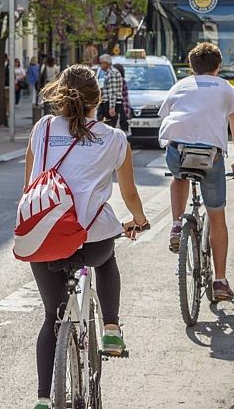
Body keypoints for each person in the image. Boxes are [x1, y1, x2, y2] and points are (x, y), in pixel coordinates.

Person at [24, 64, 148, 409]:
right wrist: (139, 221)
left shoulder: (42, 129)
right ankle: (111, 328)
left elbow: (30, 187)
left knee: (52, 316)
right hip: (91, 241)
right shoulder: (114, 138)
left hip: (43, 238)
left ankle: (43, 399)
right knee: (107, 259)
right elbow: (130, 194)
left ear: (59, 95)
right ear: (98, 99)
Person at [158, 42, 234, 301]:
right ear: (218, 66)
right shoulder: (227, 89)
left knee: (179, 176)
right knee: (217, 217)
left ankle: (177, 225)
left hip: (177, 152)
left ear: (191, 67)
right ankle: (220, 282)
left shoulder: (179, 86)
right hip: (210, 156)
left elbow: (167, 117)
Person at [96, 54, 127, 130]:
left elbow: (113, 92)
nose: (100, 65)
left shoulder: (112, 73)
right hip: (108, 102)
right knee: (106, 124)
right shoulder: (108, 73)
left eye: (101, 63)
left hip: (111, 103)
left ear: (106, 63)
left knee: (110, 125)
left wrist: (112, 107)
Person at [113, 63, 132, 129]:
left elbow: (124, 97)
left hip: (120, 108)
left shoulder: (119, 81)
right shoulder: (122, 80)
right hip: (122, 108)